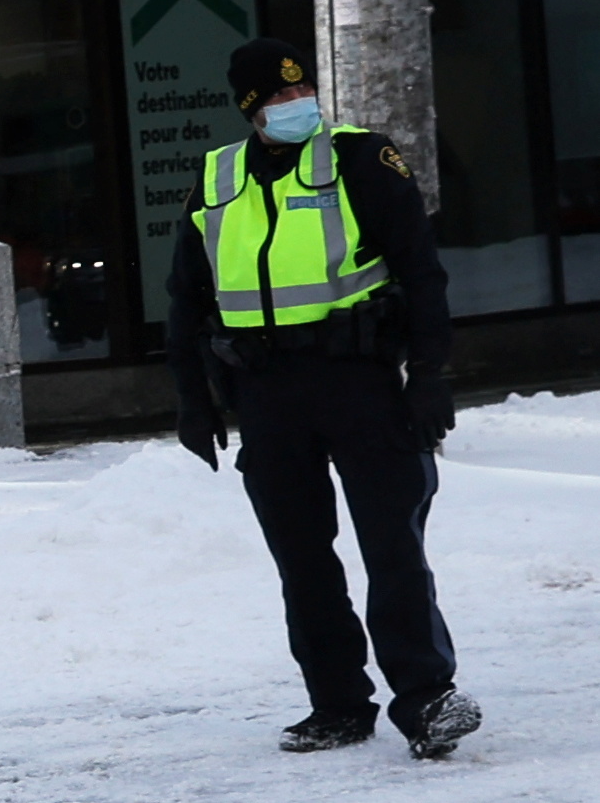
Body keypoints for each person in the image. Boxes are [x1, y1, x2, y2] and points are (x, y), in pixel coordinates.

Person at [167, 39, 481, 760]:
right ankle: (337, 702)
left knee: (392, 545)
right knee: (302, 557)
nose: (294, 104)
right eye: (276, 98)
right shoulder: (216, 180)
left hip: (359, 381)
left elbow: (421, 272)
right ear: (249, 109)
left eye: (300, 88)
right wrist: (194, 400)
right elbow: (186, 301)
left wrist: (430, 373)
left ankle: (428, 699)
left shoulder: (359, 159)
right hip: (267, 393)